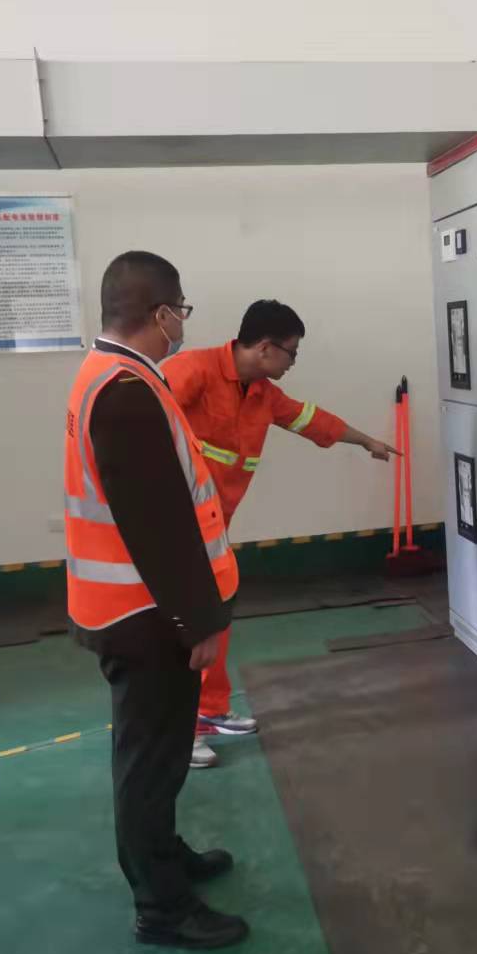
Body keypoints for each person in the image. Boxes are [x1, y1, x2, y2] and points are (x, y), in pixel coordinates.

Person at [63, 250, 248, 950]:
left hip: (134, 609)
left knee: (161, 756)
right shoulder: (125, 391)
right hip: (143, 616)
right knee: (148, 764)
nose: (184, 325)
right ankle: (161, 907)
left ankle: (166, 858)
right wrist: (198, 621)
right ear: (162, 313)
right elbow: (159, 526)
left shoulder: (115, 374)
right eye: (182, 312)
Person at [163, 300, 395, 768]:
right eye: (292, 352)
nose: (293, 362)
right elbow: (145, 421)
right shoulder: (194, 371)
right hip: (174, 528)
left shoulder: (262, 394)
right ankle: (175, 732)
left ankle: (209, 710)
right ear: (266, 348)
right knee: (182, 629)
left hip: (213, 529)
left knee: (216, 616)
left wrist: (366, 441)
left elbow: (312, 420)